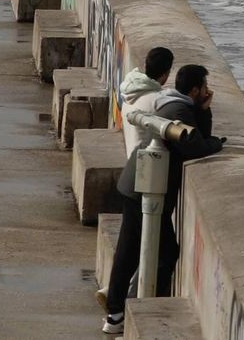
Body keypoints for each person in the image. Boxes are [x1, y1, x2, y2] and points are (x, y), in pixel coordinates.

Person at [102, 65, 226, 334]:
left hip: (139, 186)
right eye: (204, 88)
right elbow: (198, 145)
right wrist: (218, 143)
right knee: (153, 252)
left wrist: (203, 109)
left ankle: (116, 313)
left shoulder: (172, 103)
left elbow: (197, 135)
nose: (207, 91)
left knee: (132, 250)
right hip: (143, 190)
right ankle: (130, 312)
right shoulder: (178, 112)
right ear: (194, 90)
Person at [95, 47, 174, 312]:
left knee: (130, 246)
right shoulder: (155, 101)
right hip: (147, 179)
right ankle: (134, 305)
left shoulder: (130, 87)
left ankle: (114, 303)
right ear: (166, 73)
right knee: (162, 250)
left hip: (130, 173)